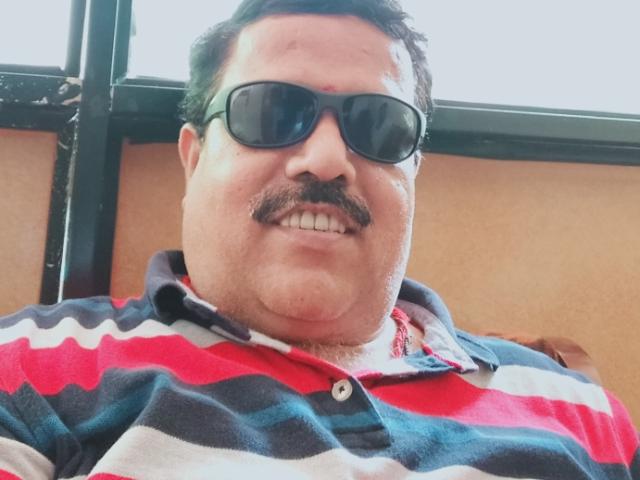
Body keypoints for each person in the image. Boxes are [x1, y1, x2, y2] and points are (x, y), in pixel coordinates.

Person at [0, 0, 637, 478]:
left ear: (412, 175)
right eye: (270, 112)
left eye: (379, 126)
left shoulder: (581, 410)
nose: (327, 160)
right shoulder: (31, 368)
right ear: (193, 161)